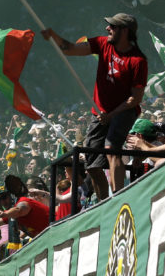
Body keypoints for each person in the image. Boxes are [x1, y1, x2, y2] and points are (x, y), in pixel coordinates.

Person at [42, 13, 148, 200]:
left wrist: (112, 114)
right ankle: (103, 203)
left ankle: (119, 196)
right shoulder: (103, 43)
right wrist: (53, 35)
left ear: (125, 31)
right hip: (99, 112)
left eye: (112, 26)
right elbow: (70, 49)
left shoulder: (138, 60)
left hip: (124, 111)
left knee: (111, 148)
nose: (108, 28)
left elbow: (135, 99)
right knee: (92, 165)